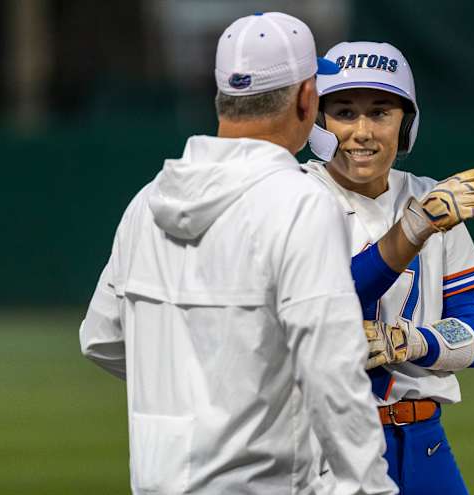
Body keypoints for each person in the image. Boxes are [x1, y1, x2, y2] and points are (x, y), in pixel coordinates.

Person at [79, 14, 397, 495]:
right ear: (306, 97)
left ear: (224, 97)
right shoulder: (301, 203)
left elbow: (100, 337)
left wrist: (195, 402)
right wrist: (372, 487)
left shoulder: (149, 201)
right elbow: (331, 368)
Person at [304, 41, 474, 494]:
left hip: (424, 439)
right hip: (329, 446)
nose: (363, 131)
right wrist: (416, 227)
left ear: (406, 124)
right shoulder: (297, 197)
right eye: (345, 112)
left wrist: (412, 340)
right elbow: (328, 297)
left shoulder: (431, 194)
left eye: (380, 112)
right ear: (318, 121)